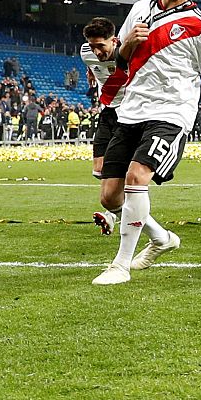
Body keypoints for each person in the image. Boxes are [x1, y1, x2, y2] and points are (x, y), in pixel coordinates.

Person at [92, 0, 201, 286]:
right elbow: (122, 62)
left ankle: (121, 265)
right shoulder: (139, 10)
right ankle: (161, 238)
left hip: (172, 111)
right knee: (110, 196)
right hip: (131, 111)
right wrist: (128, 42)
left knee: (137, 176)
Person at [79, 17, 130, 236]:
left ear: (115, 41)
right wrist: (92, 71)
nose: (97, 52)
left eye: (101, 46)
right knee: (99, 167)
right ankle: (117, 213)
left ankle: (115, 214)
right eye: (93, 47)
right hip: (108, 112)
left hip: (129, 112)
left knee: (118, 168)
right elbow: (91, 62)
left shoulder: (127, 53)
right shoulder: (85, 52)